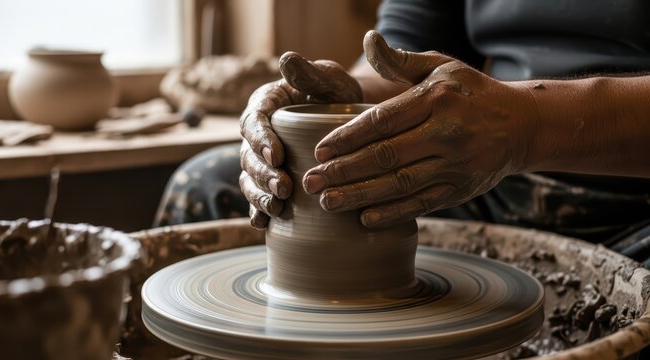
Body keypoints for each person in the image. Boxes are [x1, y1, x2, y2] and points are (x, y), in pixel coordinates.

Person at [156, 0, 650, 266]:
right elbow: (400, 56)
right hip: (483, 174)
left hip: (634, 203)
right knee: (208, 185)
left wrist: (528, 127)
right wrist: (343, 98)